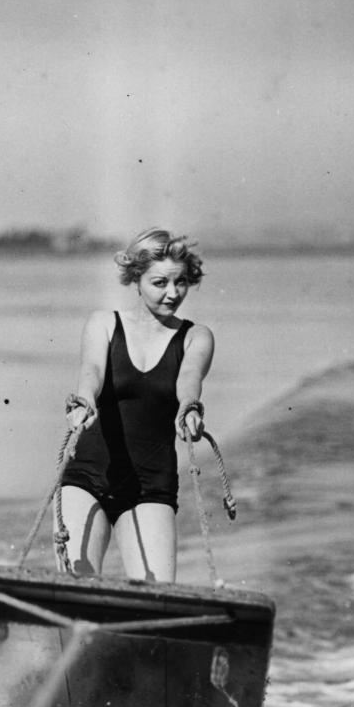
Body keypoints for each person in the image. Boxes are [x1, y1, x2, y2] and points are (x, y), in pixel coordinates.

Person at [59, 228, 215, 583]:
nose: (173, 293)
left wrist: (189, 407)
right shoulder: (103, 324)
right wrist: (84, 401)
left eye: (181, 282)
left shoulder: (195, 337)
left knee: (155, 594)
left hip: (150, 486)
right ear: (136, 279)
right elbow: (92, 372)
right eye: (160, 283)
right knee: (76, 583)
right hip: (87, 476)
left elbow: (189, 379)